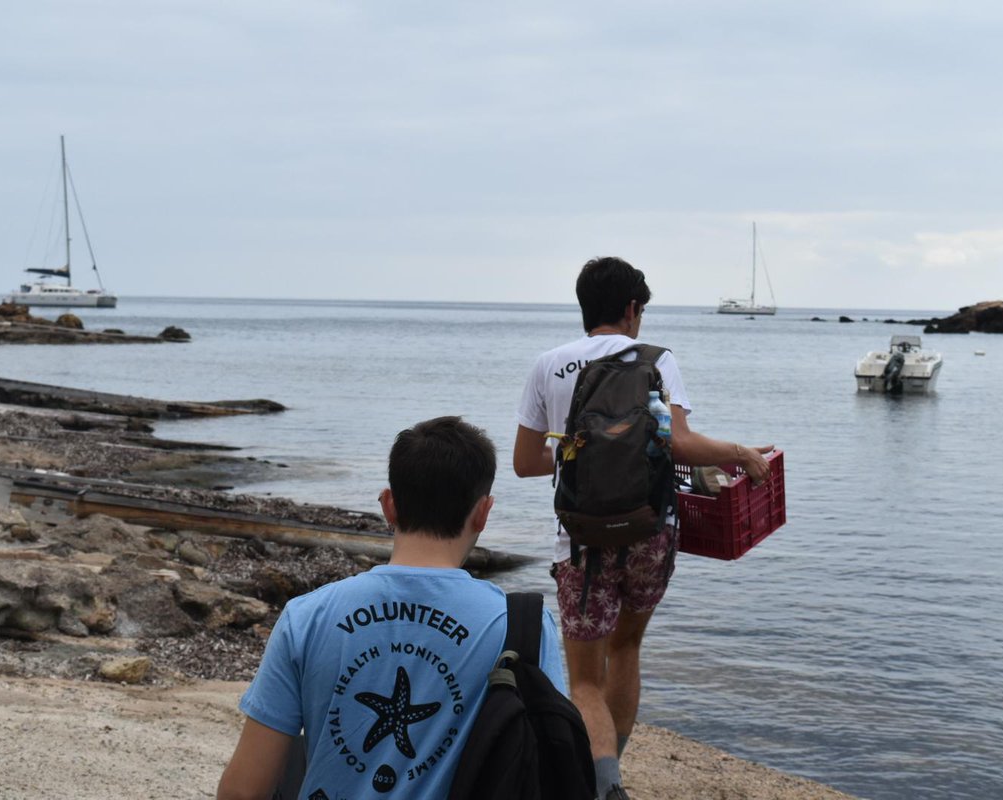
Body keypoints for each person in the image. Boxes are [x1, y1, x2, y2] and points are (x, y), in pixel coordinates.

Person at [513, 257, 772, 800]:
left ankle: (601, 782)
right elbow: (679, 442)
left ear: (586, 307)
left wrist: (571, 454)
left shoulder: (548, 365)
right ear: (632, 309)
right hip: (648, 533)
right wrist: (739, 452)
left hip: (580, 540)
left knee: (583, 677)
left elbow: (524, 462)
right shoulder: (656, 359)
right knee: (626, 648)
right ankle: (615, 772)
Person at [218, 416, 565, 800]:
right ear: (483, 511)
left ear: (389, 505)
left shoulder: (307, 616)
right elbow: (554, 763)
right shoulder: (521, 625)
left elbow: (242, 791)